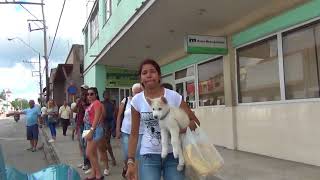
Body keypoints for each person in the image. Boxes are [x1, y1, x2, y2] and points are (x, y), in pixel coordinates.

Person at [126, 59, 200, 180]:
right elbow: (134, 134)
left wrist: (181, 129)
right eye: (144, 73)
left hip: (173, 155)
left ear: (159, 75)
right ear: (141, 79)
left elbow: (195, 122)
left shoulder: (173, 96)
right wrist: (130, 161)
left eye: (152, 71)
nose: (149, 75)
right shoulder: (137, 101)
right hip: (148, 155)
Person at [116, 83, 143, 178]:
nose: (137, 94)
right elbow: (119, 116)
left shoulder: (144, 101)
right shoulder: (126, 100)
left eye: (139, 92)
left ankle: (133, 175)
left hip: (140, 132)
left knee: (136, 155)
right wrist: (117, 130)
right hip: (126, 132)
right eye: (135, 92)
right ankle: (125, 167)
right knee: (126, 155)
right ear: (132, 92)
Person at [84, 87, 106, 180]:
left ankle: (99, 174)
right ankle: (94, 173)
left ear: (96, 94)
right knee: (92, 153)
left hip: (95, 130)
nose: (89, 96)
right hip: (89, 129)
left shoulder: (97, 103)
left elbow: (97, 118)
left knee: (89, 153)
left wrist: (91, 131)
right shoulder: (92, 104)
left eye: (91, 94)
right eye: (88, 94)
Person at [75, 85, 91, 172]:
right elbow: (75, 109)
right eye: (81, 89)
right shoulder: (81, 99)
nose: (82, 91)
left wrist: (83, 104)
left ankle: (87, 163)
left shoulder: (88, 99)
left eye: (83, 89)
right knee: (81, 145)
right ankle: (85, 161)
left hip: (86, 125)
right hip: (79, 124)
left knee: (86, 144)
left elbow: (89, 111)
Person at [101, 91, 117, 166]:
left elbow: (115, 115)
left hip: (110, 123)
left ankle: (112, 158)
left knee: (107, 142)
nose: (107, 96)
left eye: (108, 95)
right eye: (105, 95)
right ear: (103, 96)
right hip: (103, 124)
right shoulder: (101, 103)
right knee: (104, 142)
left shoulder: (112, 104)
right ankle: (106, 157)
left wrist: (113, 127)